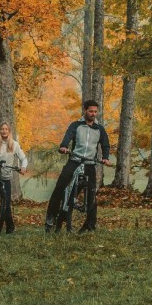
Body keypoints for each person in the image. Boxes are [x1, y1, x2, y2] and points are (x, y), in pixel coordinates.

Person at [44, 99, 112, 233]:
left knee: (91, 194)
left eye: (95, 112)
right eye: (91, 111)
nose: (93, 114)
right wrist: (64, 146)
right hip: (74, 161)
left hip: (90, 164)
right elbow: (67, 137)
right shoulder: (76, 125)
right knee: (59, 188)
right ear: (85, 111)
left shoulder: (99, 129)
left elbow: (105, 144)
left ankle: (90, 225)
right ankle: (51, 216)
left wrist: (105, 157)